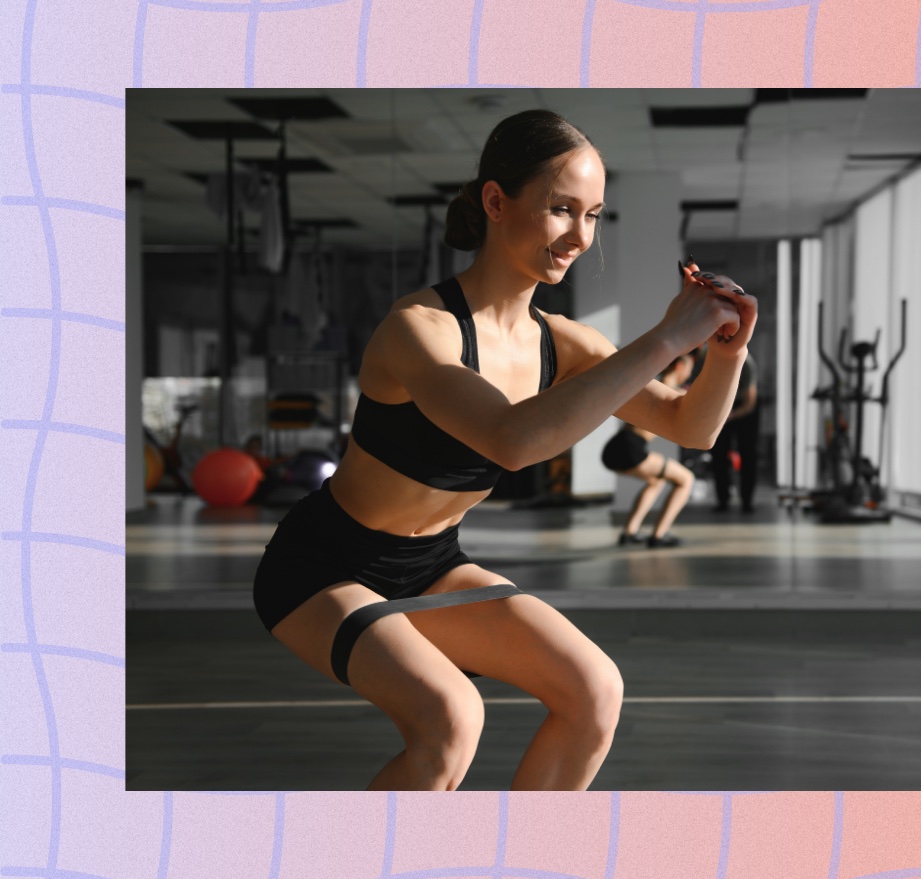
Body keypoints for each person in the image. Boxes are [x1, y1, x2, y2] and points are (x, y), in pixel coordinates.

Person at [251, 109, 757, 792]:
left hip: (430, 562)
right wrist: (665, 339)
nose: (580, 235)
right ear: (496, 201)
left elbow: (690, 426)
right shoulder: (418, 329)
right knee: (450, 720)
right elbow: (513, 440)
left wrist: (727, 351)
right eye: (560, 209)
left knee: (594, 690)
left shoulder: (564, 344)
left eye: (594, 215)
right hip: (322, 564)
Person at [601, 352, 696, 547]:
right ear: (679, 367)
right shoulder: (676, 392)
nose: (688, 375)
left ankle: (629, 533)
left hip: (616, 446)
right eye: (688, 370)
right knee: (686, 480)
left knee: (655, 482)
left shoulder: (652, 385)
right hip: (631, 448)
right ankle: (659, 536)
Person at [711, 349, 759, 512]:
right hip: (721, 405)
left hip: (743, 410)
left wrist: (728, 417)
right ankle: (722, 500)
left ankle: (747, 501)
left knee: (747, 454)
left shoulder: (745, 363)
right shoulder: (708, 360)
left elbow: (749, 404)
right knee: (718, 454)